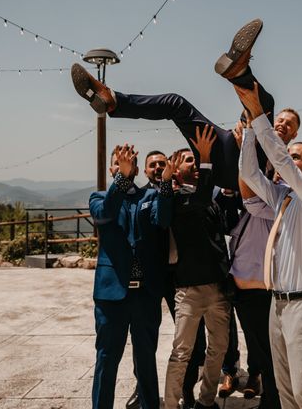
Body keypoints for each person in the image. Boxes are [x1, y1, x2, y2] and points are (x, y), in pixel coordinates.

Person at [71, 18, 273, 190]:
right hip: (229, 149)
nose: (282, 124)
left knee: (265, 106)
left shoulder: (287, 162)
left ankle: (239, 73)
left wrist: (243, 148)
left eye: (288, 124)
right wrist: (245, 139)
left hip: (251, 173)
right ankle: (113, 100)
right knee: (175, 104)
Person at [236, 84, 302, 409]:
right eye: (289, 157)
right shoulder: (281, 199)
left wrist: (259, 115)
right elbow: (249, 172)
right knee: (285, 390)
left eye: (296, 157)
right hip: (276, 305)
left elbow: (280, 161)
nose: (287, 161)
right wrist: (249, 130)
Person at [222, 107, 300, 409]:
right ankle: (263, 387)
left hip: (269, 280)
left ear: (294, 134)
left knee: (269, 349)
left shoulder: (285, 183)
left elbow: (254, 197)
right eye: (278, 119)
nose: (281, 124)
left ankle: (274, 398)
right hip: (242, 275)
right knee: (258, 342)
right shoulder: (251, 156)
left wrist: (250, 152)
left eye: (288, 123)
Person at [89, 144, 175, 409]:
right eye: (117, 164)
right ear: (112, 168)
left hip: (145, 295)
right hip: (111, 296)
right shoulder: (99, 198)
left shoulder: (149, 195)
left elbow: (163, 219)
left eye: (127, 164)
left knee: (147, 359)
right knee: (106, 359)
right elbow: (105, 215)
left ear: (136, 169)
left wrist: (167, 184)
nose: (122, 167)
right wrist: (120, 180)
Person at [126, 150, 206, 409]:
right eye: (153, 165)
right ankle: (142, 388)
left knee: (193, 338)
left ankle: (187, 388)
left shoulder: (185, 192)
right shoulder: (140, 197)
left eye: (163, 163)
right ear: (146, 171)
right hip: (151, 275)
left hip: (182, 275)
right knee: (145, 338)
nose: (158, 167)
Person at [163, 126, 232, 409]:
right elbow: (201, 197)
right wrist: (205, 157)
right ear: (176, 170)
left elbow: (221, 233)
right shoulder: (175, 199)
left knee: (218, 349)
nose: (194, 161)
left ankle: (206, 402)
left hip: (217, 288)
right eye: (188, 159)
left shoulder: (210, 200)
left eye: (196, 159)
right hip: (189, 288)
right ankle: (170, 404)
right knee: (182, 351)